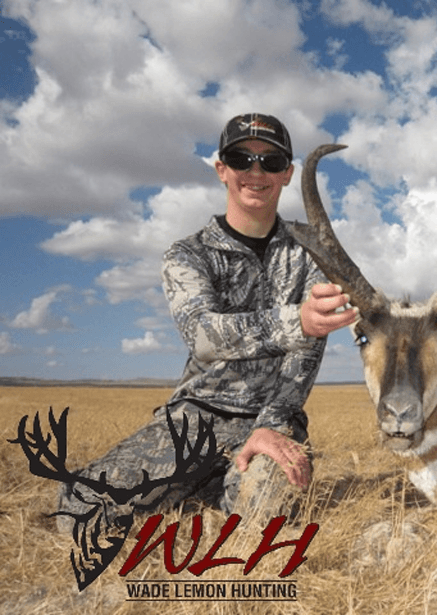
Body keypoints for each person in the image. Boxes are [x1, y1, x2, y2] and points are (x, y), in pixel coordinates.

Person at [57, 113, 357, 529]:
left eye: (271, 162)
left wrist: (271, 426)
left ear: (287, 174)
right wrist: (296, 321)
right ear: (222, 169)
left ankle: (214, 489)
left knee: (264, 517)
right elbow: (203, 336)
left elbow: (307, 352)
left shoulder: (313, 248)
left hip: (273, 419)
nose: (256, 172)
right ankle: (200, 483)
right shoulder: (188, 254)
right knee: (81, 510)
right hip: (196, 417)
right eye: (242, 159)